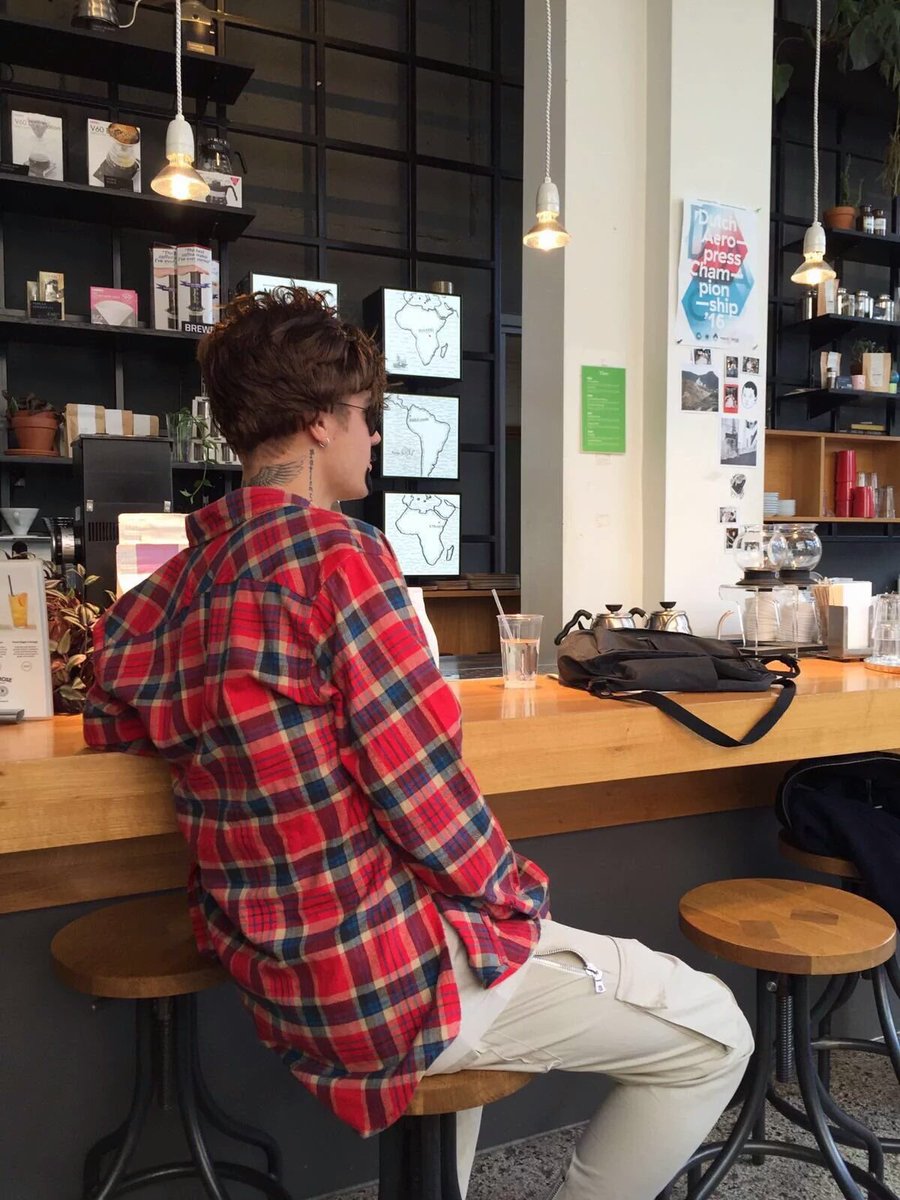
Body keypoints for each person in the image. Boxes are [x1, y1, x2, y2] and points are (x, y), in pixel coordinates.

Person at [83, 288, 752, 1200]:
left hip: (277, 974)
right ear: (320, 421)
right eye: (367, 416)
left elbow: (112, 723)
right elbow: (425, 797)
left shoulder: (162, 595)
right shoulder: (344, 561)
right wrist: (518, 904)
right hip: (386, 978)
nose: (374, 437)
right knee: (715, 1033)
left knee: (494, 952)